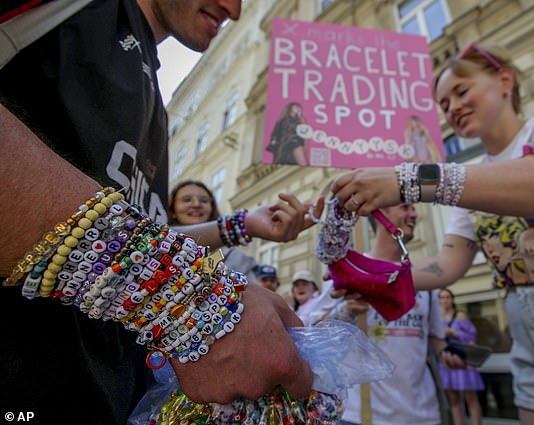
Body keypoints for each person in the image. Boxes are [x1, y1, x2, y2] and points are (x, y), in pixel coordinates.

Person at [0, 1, 324, 423]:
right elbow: (137, 255)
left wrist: (240, 225)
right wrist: (186, 297)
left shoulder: (156, 99)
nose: (235, 10)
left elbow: (141, 238)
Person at [330, 42, 534, 425]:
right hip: (527, 326)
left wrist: (410, 180)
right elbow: (447, 266)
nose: (452, 108)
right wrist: (368, 277)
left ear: (504, 80)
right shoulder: (472, 181)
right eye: (443, 104)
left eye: (461, 91)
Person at [309, 203, 458, 425]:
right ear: (380, 215)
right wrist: (344, 312)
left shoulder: (423, 278)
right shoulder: (353, 271)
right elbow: (310, 332)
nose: (414, 214)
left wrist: (450, 354)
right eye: (405, 207)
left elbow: (435, 339)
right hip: (364, 416)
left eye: (413, 208)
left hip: (424, 416)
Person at [169, 180, 259, 282]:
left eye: (204, 200)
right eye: (187, 200)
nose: (196, 204)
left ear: (212, 208)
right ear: (172, 211)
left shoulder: (235, 256)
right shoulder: (157, 245)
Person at [438, 288, 484, 425]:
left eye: (447, 297)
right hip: (447, 361)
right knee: (454, 399)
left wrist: (453, 332)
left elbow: (472, 338)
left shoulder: (460, 316)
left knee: (471, 398)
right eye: (442, 297)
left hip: (463, 361)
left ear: (452, 300)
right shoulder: (437, 318)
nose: (445, 300)